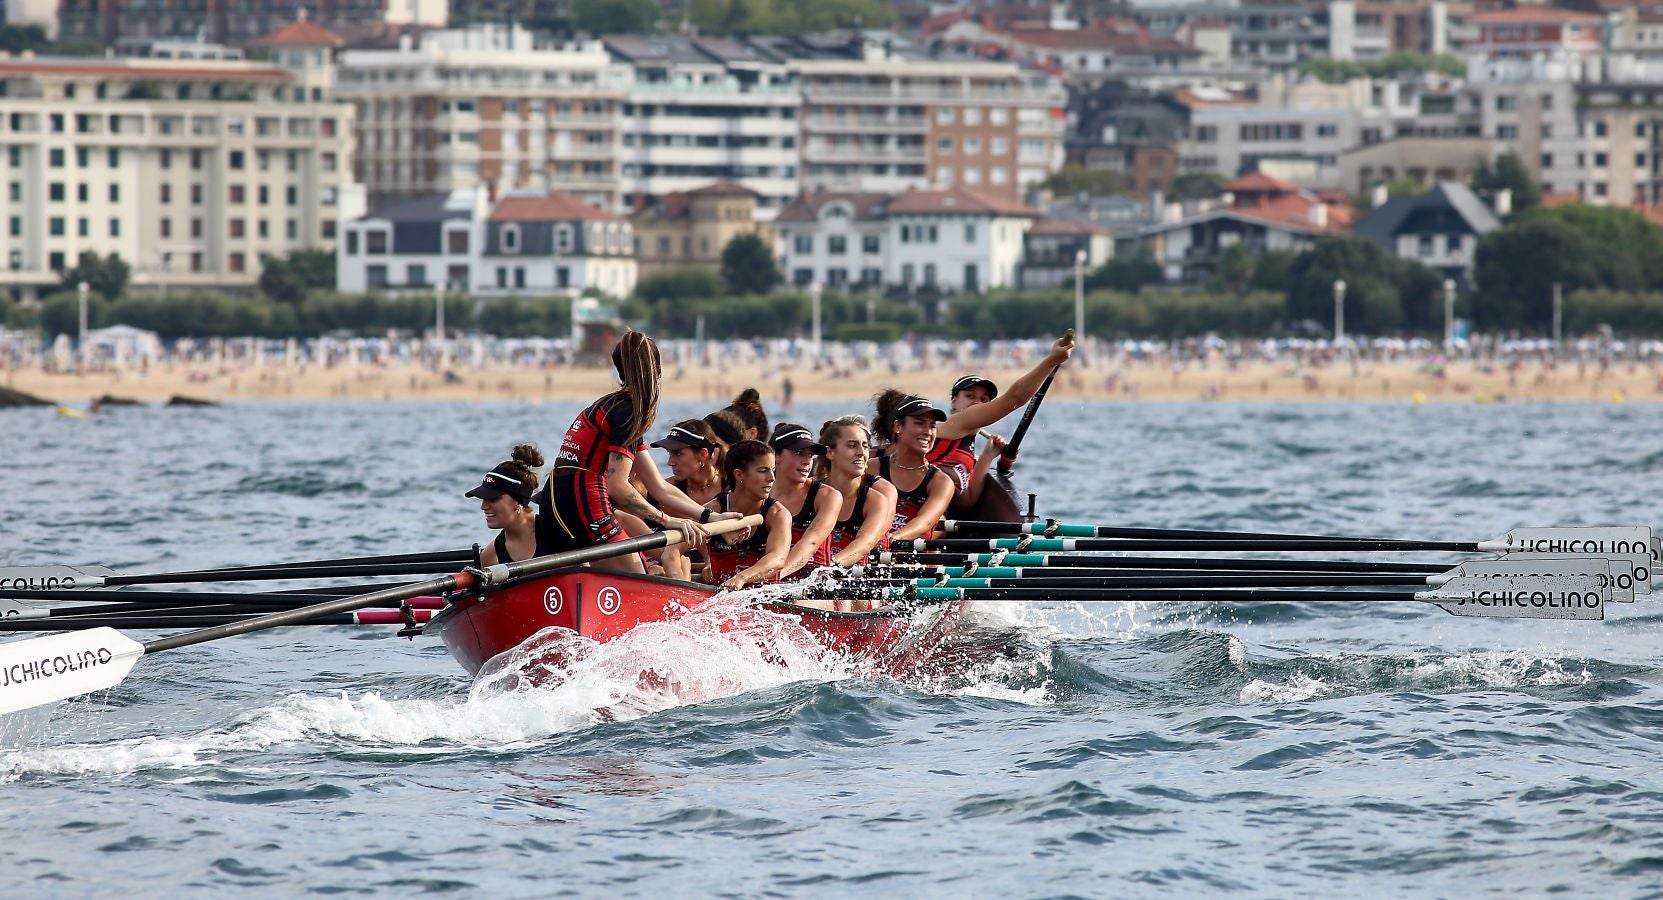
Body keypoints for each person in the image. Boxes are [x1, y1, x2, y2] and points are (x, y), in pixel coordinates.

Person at [534, 331, 713, 573]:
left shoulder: (609, 405)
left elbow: (658, 486)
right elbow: (617, 486)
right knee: (636, 577)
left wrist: (708, 516)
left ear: (619, 371)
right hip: (583, 498)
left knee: (579, 575)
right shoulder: (628, 412)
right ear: (658, 371)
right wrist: (667, 520)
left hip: (553, 497)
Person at [927, 334, 1076, 508]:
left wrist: (987, 457)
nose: (977, 402)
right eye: (969, 396)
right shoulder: (957, 422)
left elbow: (968, 503)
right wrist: (1051, 360)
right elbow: (1015, 398)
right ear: (953, 401)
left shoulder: (967, 447)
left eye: (984, 399)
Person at [704, 440, 792, 590]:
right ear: (739, 475)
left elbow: (778, 559)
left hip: (762, 600)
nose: (772, 478)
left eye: (773, 470)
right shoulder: (713, 509)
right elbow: (673, 550)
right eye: (763, 470)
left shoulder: (778, 514)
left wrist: (742, 578)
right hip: (719, 598)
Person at [872, 392, 955, 542]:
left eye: (932, 426)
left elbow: (925, 522)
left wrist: (893, 538)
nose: (928, 432)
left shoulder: (942, 482)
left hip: (909, 553)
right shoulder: (871, 468)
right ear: (898, 427)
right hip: (870, 546)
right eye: (919, 423)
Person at [818, 415, 897, 567]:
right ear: (830, 452)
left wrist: (828, 569)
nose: (862, 452)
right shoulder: (812, 492)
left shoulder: (878, 499)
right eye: (852, 445)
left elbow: (864, 544)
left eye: (865, 446)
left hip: (859, 576)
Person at [769, 422, 840, 579]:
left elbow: (810, 543)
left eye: (810, 455)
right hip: (767, 577)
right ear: (776, 456)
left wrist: (774, 577)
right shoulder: (759, 495)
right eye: (799, 453)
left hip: (812, 582)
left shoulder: (827, 496)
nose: (807, 461)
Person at [466, 444, 546, 565]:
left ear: (518, 502)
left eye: (493, 498)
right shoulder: (491, 556)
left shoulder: (557, 533)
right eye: (483, 499)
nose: (483, 506)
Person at [651, 418, 725, 508]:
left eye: (678, 453)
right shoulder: (660, 493)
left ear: (703, 454)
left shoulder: (733, 488)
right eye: (669, 453)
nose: (670, 462)